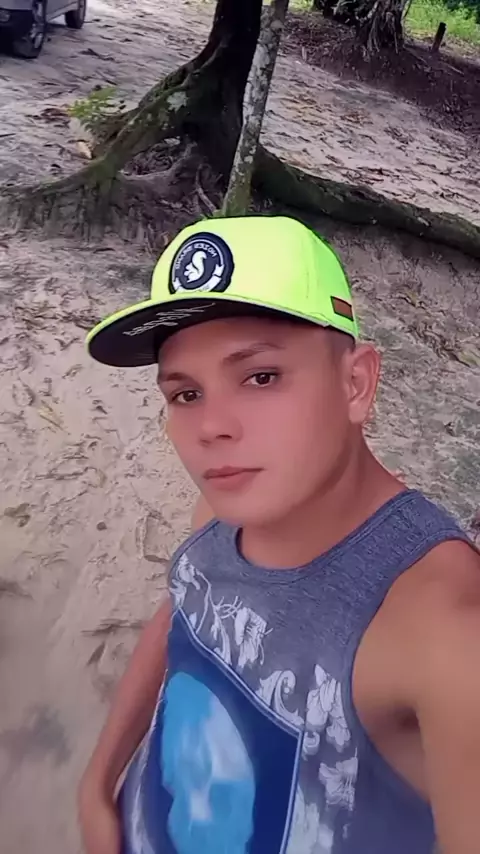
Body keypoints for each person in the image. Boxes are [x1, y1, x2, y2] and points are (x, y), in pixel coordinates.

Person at [80, 215, 480, 854]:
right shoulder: (224, 512)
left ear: (356, 383)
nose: (212, 427)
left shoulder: (440, 624)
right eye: (186, 394)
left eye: (260, 377)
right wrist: (99, 783)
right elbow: (184, 613)